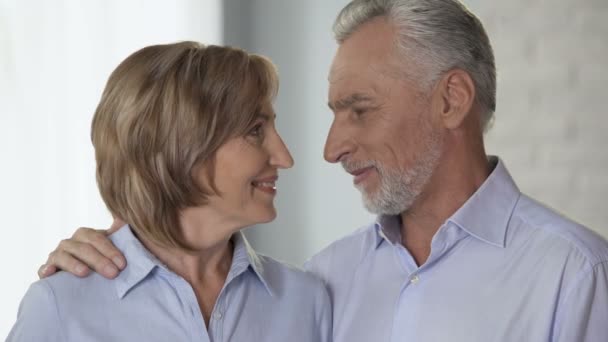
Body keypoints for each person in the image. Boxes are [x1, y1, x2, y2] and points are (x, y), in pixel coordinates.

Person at [37, 0, 608, 341]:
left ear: (451, 100)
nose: (326, 150)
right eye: (256, 130)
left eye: (359, 110)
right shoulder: (327, 282)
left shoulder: (575, 275)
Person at [8, 41, 332, 342]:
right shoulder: (61, 306)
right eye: (255, 131)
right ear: (180, 148)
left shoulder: (306, 300)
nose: (285, 157)